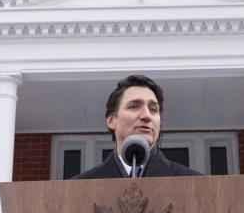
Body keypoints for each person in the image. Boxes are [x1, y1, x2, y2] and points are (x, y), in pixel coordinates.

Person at [73, 75, 202, 179]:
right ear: (111, 120)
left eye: (153, 109)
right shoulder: (79, 186)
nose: (146, 116)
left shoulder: (194, 182)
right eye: (134, 107)